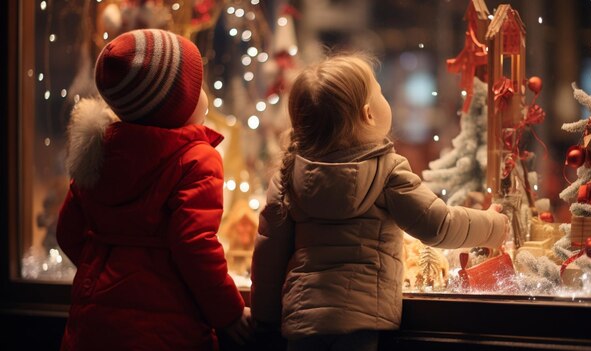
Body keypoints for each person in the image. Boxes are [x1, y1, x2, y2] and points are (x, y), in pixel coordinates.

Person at [250, 53, 510, 351]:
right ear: (369, 114)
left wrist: (263, 320)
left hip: (303, 321)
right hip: (361, 324)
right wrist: (493, 225)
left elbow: (268, 255)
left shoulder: (287, 175)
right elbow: (439, 225)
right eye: (380, 92)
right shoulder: (386, 170)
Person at [57, 29, 252, 350]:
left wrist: (107, 273)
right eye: (197, 86)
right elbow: (195, 246)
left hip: (92, 326)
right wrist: (229, 313)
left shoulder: (97, 152)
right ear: (177, 105)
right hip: (169, 329)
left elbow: (68, 233)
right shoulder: (195, 160)